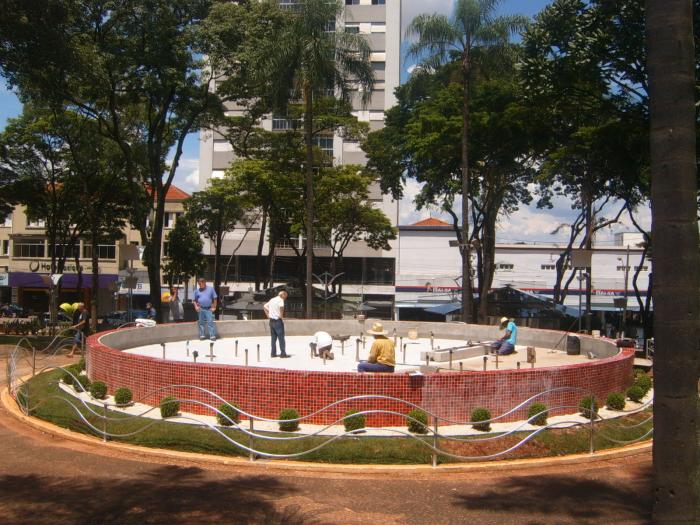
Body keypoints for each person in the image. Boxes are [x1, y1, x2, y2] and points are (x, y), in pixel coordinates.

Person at [263, 290, 289, 358]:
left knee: (273, 338)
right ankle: (283, 354)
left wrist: (268, 315)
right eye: (285, 296)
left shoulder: (272, 299)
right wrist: (281, 315)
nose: (285, 298)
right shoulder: (280, 300)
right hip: (278, 321)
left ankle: (273, 353)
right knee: (281, 338)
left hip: (271, 321)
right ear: (283, 295)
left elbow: (265, 306)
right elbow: (281, 307)